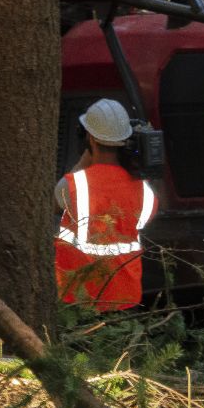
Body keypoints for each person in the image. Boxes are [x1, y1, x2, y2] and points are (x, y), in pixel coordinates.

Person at [55, 98, 158, 311]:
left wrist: (85, 160)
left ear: (91, 138)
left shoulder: (73, 184)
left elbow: (56, 201)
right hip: (126, 300)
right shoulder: (144, 191)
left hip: (80, 300)